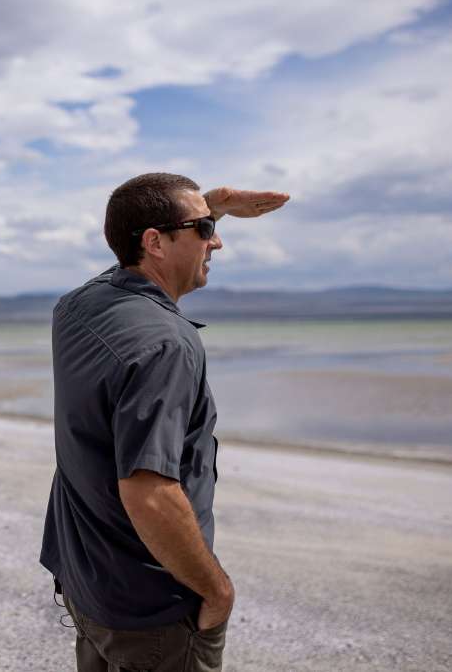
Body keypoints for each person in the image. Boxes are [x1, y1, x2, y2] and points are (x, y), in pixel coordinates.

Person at [40, 173, 289, 671]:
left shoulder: (77, 307)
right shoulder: (166, 345)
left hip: (88, 582)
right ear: (154, 242)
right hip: (150, 609)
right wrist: (216, 590)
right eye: (202, 229)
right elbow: (149, 492)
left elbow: (123, 257)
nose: (215, 239)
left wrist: (209, 208)